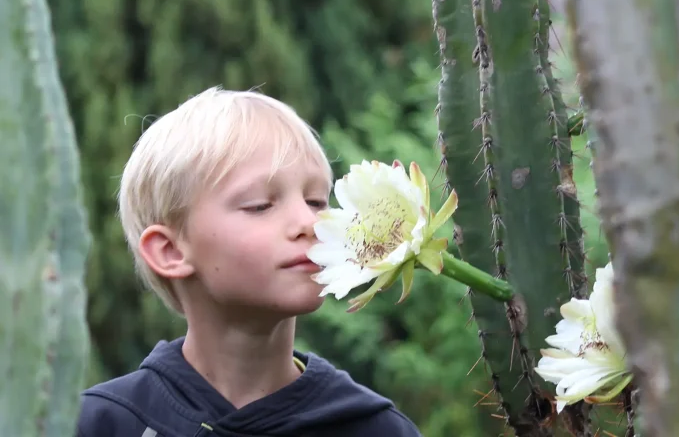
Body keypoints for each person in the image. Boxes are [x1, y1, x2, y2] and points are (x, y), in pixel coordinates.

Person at [76, 87, 422, 437]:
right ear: (170, 252)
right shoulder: (97, 424)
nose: (309, 222)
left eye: (317, 201)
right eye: (260, 205)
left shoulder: (379, 429)